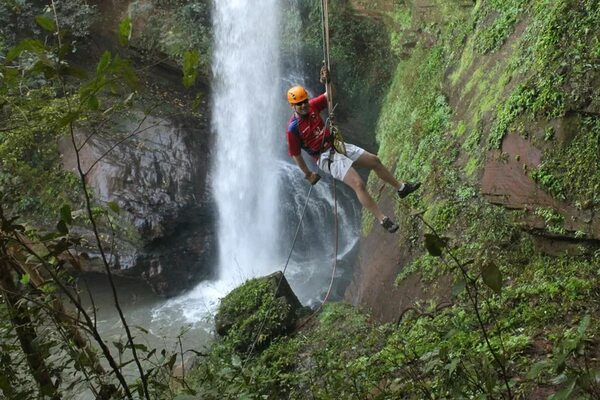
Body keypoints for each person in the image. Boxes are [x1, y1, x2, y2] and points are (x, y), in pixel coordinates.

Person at [285, 67, 421, 233]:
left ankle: (401, 188)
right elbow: (295, 154)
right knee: (358, 184)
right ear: (293, 106)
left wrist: (328, 81)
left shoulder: (313, 106)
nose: (304, 105)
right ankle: (382, 219)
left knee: (374, 161)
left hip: (336, 143)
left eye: (305, 101)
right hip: (325, 157)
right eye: (299, 104)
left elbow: (331, 96)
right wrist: (308, 174)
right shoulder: (293, 129)